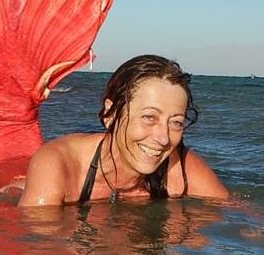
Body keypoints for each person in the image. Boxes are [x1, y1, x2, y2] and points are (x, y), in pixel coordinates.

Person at [19, 55, 229, 206]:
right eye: (149, 117)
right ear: (111, 114)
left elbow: (241, 218)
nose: (163, 138)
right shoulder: (59, 163)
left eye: (175, 122)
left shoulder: (180, 167)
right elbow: (38, 248)